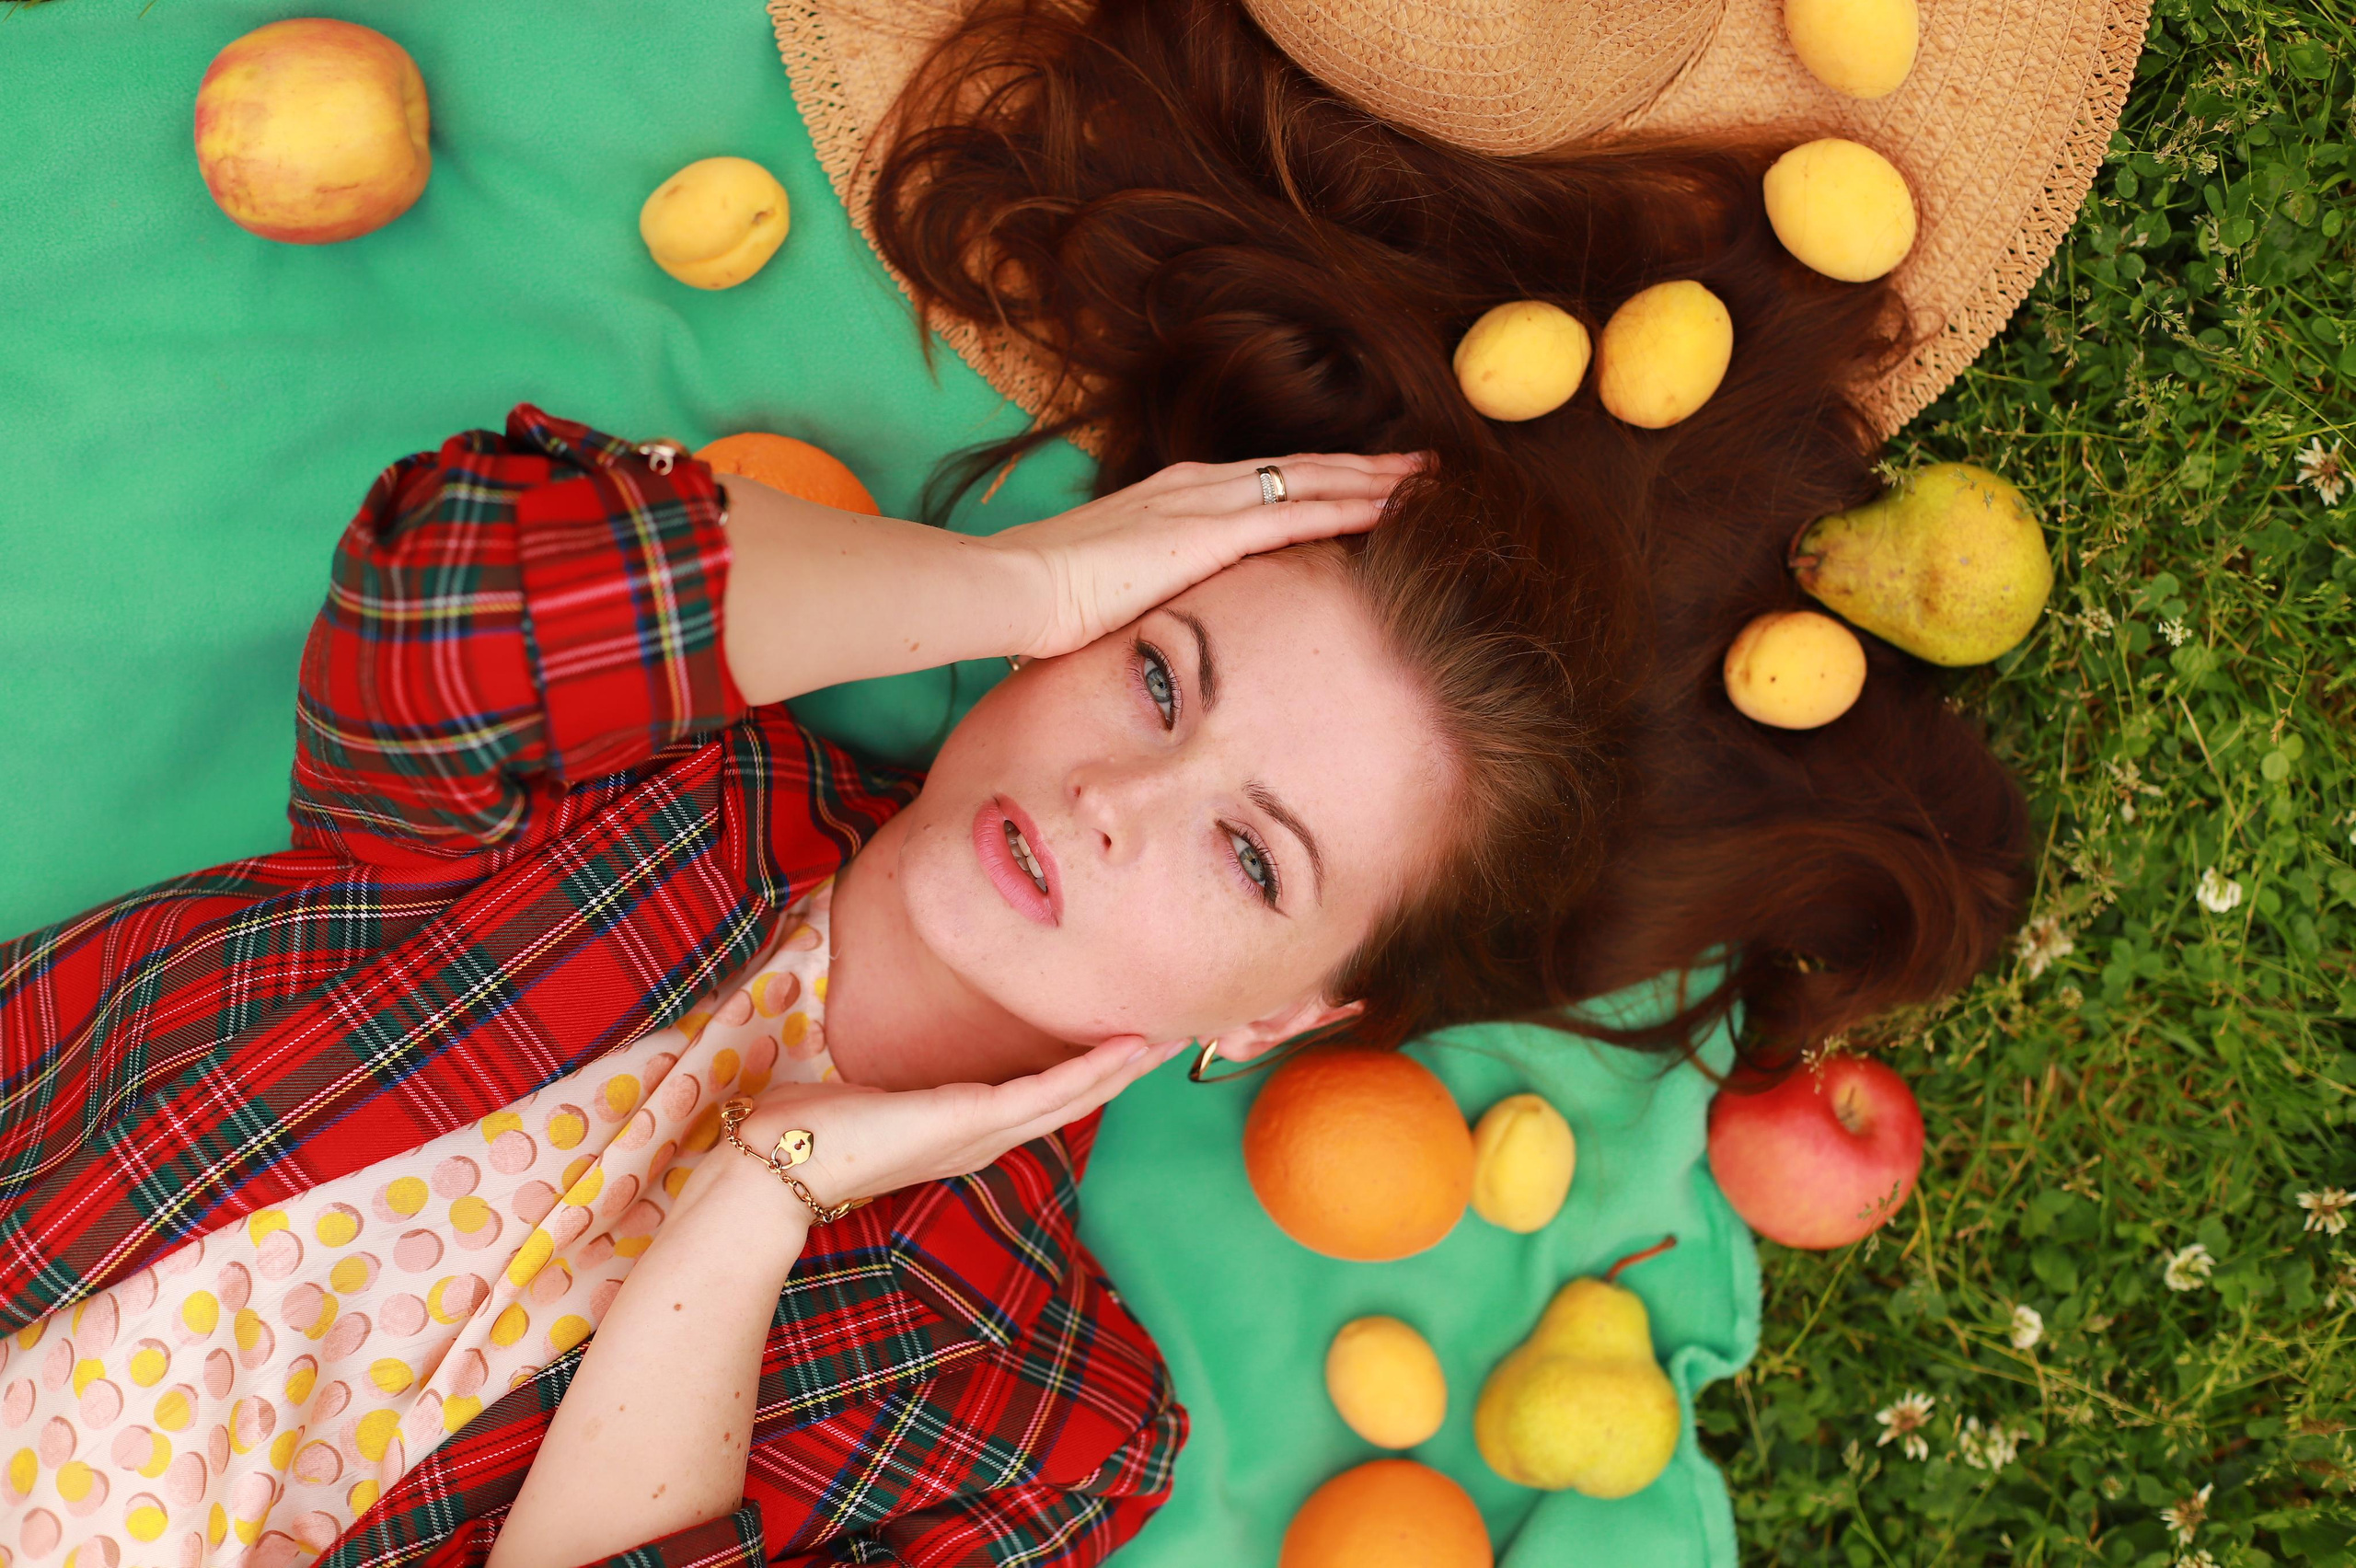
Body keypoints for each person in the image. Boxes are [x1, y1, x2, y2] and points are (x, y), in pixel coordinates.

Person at [0, 406, 1630, 1567]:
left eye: (1252, 856)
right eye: (1154, 676)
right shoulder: (642, 773)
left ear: (1277, 1020)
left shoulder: (1044, 1426)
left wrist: (756, 1201)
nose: (1116, 801)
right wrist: (1028, 582)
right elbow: (451, 575)